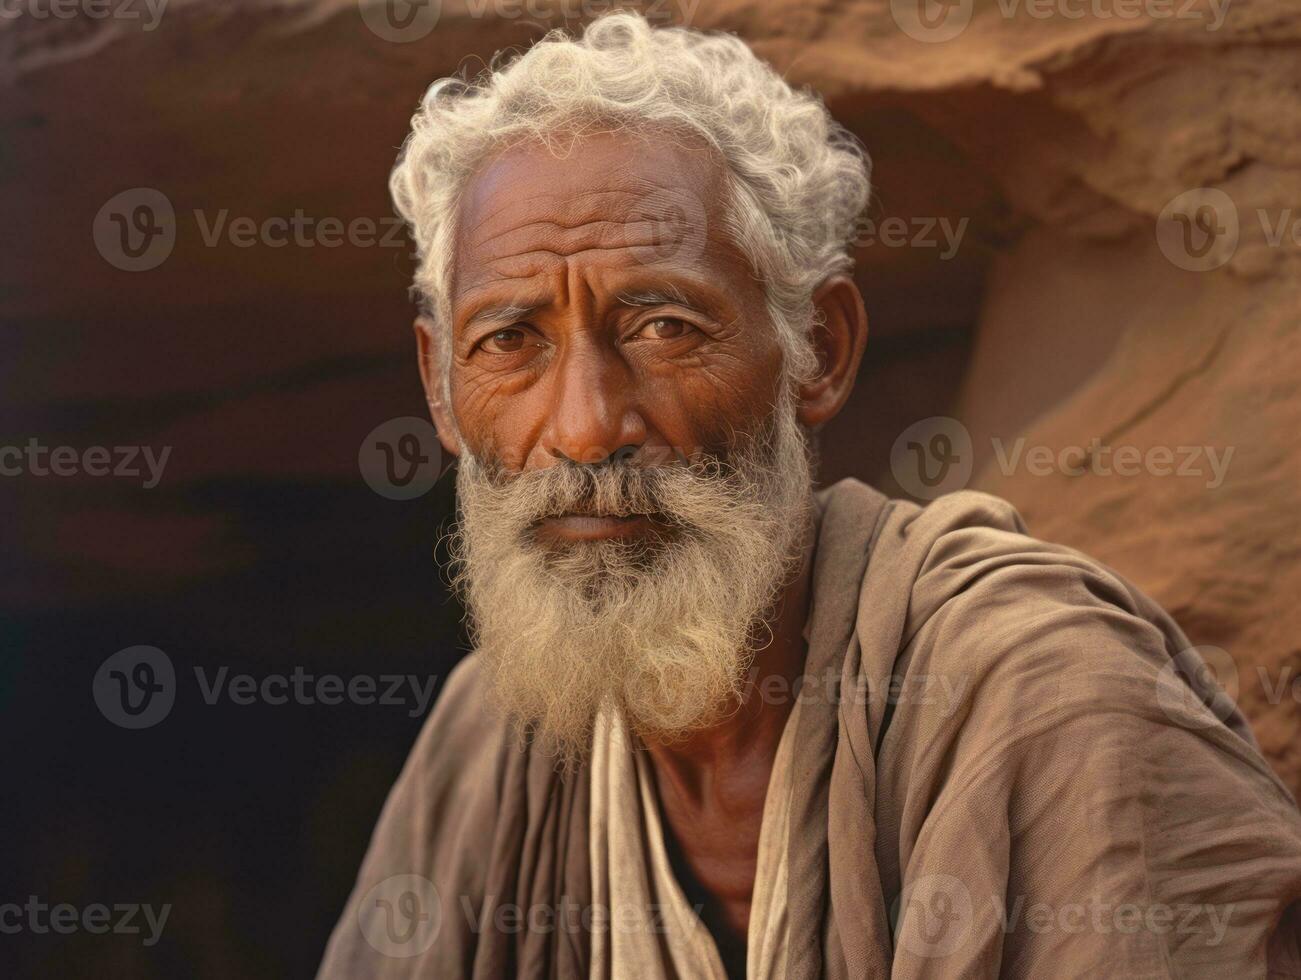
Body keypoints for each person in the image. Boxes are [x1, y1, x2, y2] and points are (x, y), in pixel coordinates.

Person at [319, 12, 1301, 978]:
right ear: (441, 388)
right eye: (509, 340)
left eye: (660, 324)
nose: (582, 425)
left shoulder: (1044, 705)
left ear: (816, 350)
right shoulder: (489, 744)